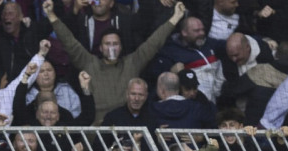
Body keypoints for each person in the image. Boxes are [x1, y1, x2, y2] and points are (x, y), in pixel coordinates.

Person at [44, 0, 187, 124]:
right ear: (100, 48)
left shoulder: (132, 63)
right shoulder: (89, 63)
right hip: (98, 130)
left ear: (121, 47)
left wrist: (175, 18)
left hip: (125, 129)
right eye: (107, 44)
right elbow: (69, 41)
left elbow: (154, 42)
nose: (111, 48)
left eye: (115, 44)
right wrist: (51, 15)